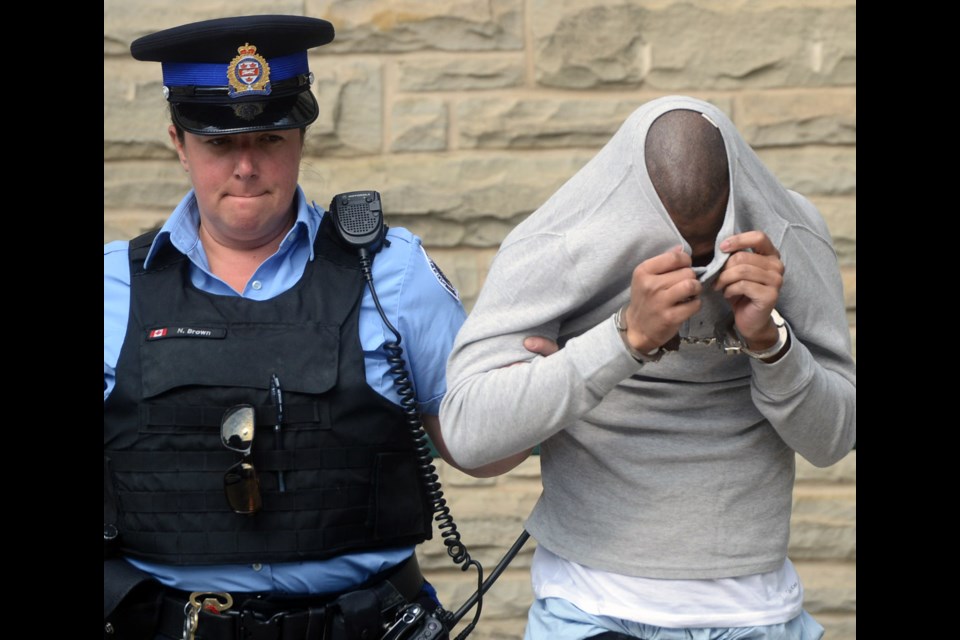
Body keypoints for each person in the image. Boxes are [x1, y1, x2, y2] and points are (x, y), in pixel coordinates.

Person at [103, 14, 492, 640]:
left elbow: (485, 449)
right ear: (178, 142)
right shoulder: (112, 290)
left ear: (302, 137)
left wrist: (585, 356)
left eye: (269, 139)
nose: (247, 167)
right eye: (219, 143)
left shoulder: (393, 275)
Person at [439, 96, 856, 640]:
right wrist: (623, 339)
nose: (700, 267)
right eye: (679, 244)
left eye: (710, 246)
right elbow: (468, 435)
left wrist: (771, 343)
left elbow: (834, 439)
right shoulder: (556, 241)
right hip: (589, 611)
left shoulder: (790, 231)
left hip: (756, 615)